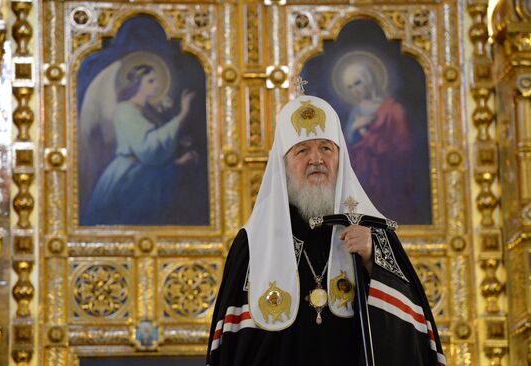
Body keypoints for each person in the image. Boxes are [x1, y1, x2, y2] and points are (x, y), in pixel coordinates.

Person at [206, 95, 445, 365]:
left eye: (326, 148)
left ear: (341, 158)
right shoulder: (253, 242)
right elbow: (231, 344)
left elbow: (411, 331)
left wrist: (372, 260)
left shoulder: (373, 231)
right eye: (302, 150)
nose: (316, 159)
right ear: (283, 164)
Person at [82, 64, 197, 225]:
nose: (156, 85)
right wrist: (182, 115)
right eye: (150, 81)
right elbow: (148, 146)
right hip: (129, 177)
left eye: (156, 80)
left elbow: (156, 143)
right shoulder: (125, 110)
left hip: (147, 175)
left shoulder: (147, 109)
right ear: (137, 84)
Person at [334, 52, 415, 222]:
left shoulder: (393, 109)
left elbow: (402, 150)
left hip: (389, 181)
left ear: (369, 80)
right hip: (362, 180)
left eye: (358, 83)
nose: (355, 90)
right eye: (350, 87)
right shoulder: (355, 113)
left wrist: (364, 133)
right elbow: (346, 152)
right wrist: (353, 131)